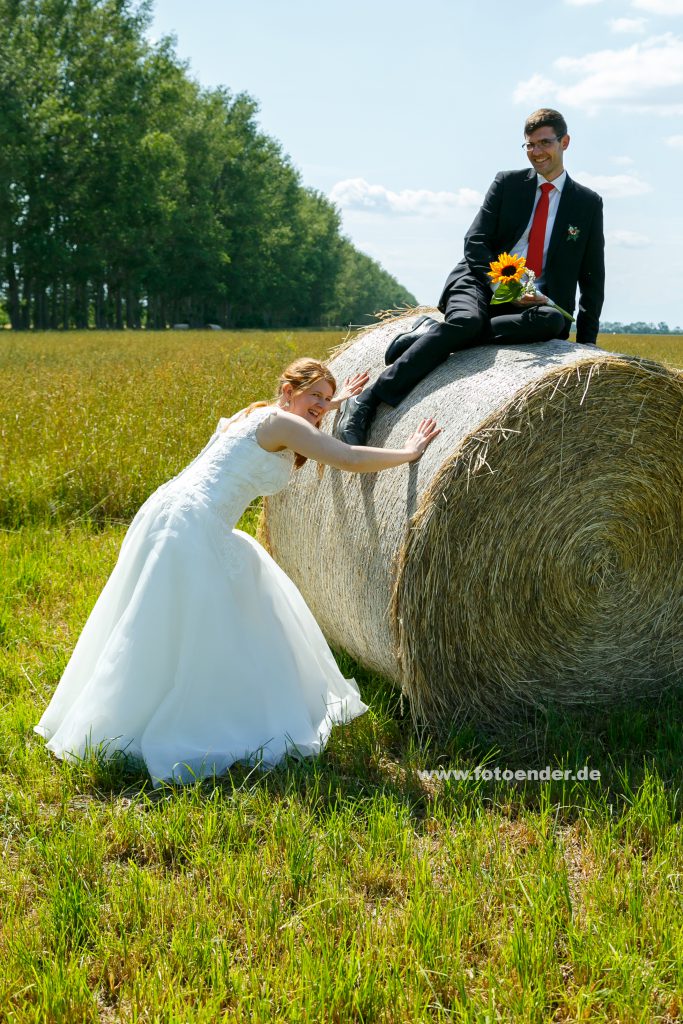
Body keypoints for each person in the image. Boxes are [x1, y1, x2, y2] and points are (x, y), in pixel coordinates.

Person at [35, 358, 440, 785]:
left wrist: (328, 402)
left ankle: (115, 718)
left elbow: (290, 425)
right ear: (287, 392)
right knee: (201, 620)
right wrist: (410, 451)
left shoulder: (255, 414)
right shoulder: (287, 424)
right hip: (194, 523)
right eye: (313, 396)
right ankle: (169, 722)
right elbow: (348, 456)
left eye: (326, 397)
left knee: (154, 618)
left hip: (167, 509)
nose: (321, 405)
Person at [336, 108, 605, 446]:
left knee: (552, 322)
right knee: (466, 321)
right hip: (479, 280)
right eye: (529, 145)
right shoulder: (507, 184)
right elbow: (475, 241)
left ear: (564, 142)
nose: (537, 152)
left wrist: (588, 347)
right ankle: (368, 400)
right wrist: (501, 284)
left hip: (534, 302)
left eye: (545, 143)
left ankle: (433, 337)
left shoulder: (587, 203)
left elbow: (593, 274)